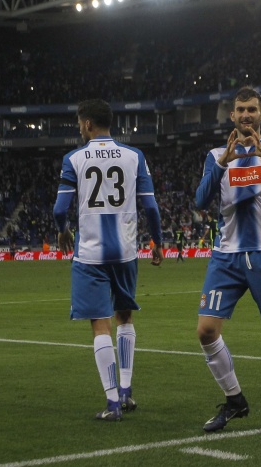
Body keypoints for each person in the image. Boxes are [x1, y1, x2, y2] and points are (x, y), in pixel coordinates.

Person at [195, 86, 261, 434]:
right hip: (226, 256)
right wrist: (222, 163)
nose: (246, 115)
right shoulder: (216, 155)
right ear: (232, 116)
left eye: (252, 109)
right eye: (240, 110)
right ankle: (235, 400)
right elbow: (200, 200)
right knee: (206, 331)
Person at [53, 98, 164, 422]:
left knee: (99, 323)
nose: (79, 128)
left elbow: (60, 209)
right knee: (124, 317)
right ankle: (126, 390)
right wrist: (158, 242)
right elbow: (151, 207)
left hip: (90, 255)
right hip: (125, 252)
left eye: (79, 123)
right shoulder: (134, 156)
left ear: (87, 123)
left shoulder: (74, 159)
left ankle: (113, 402)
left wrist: (63, 231)